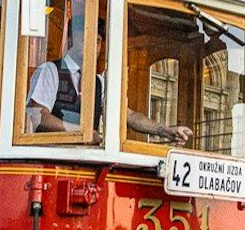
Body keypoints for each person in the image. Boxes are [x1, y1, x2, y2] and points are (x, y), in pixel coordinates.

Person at [26, 20, 192, 146]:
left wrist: (165, 131)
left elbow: (128, 116)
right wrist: (81, 133)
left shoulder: (99, 82)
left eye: (97, 41)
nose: (93, 45)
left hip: (85, 162)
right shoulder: (50, 70)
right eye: (85, 38)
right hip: (51, 160)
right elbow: (39, 117)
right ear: (70, 39)